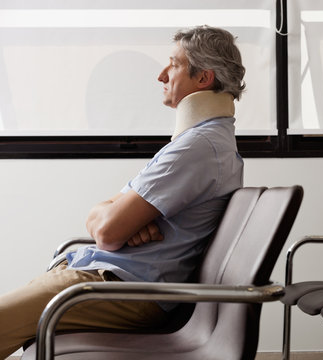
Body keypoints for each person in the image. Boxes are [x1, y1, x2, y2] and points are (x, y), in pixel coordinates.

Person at [0, 25, 245, 359]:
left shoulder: (197, 148)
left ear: (203, 79)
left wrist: (115, 220)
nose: (161, 75)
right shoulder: (202, 143)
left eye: (172, 65)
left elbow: (105, 229)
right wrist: (116, 218)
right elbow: (106, 218)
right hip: (105, 278)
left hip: (117, 288)